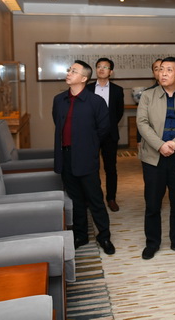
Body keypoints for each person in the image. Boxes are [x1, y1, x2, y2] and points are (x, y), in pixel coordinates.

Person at [136, 56, 175, 260]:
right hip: (154, 156)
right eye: (161, 69)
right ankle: (152, 243)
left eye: (169, 70)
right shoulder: (148, 96)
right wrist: (160, 145)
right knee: (153, 203)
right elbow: (142, 123)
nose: (163, 73)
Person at [52, 60, 116, 255]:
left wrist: (89, 145)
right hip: (66, 156)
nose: (69, 73)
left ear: (84, 78)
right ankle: (81, 235)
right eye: (69, 70)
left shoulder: (96, 101)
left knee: (95, 199)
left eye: (74, 71)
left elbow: (104, 128)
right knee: (76, 199)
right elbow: (57, 122)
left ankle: (104, 236)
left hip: (86, 156)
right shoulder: (59, 100)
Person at [87, 57, 125, 212]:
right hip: (91, 134)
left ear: (111, 72)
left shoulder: (117, 90)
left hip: (110, 134)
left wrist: (107, 126)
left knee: (110, 168)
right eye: (99, 66)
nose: (101, 69)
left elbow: (118, 113)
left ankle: (111, 198)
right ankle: (95, 199)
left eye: (105, 67)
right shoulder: (87, 88)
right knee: (91, 168)